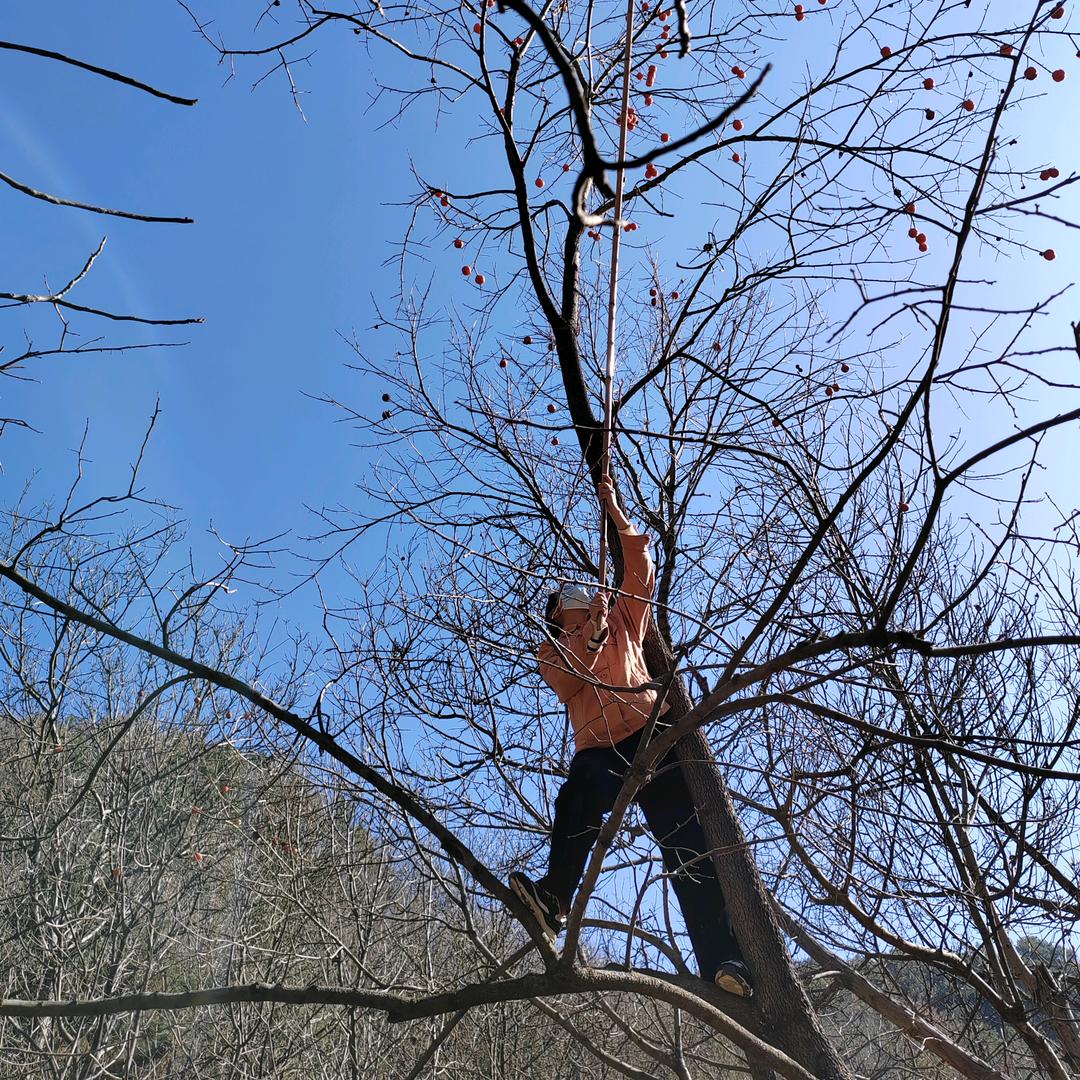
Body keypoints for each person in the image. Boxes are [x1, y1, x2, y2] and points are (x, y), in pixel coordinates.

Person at [510, 476, 754, 998]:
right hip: (600, 750)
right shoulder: (553, 654)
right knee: (576, 799)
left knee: (686, 845)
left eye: (569, 612)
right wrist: (591, 636)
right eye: (561, 619)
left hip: (652, 734)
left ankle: (722, 959)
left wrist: (616, 513)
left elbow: (639, 567)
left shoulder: (623, 619)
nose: (564, 621)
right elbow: (575, 679)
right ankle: (554, 899)